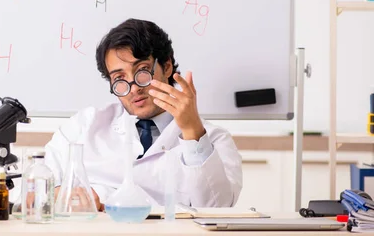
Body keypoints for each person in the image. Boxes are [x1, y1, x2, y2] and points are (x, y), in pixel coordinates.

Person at [45, 18, 242, 210]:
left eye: (142, 71)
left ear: (166, 66)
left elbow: (217, 211)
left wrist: (192, 132)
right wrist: (62, 196)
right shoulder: (84, 126)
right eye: (119, 78)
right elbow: (36, 191)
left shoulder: (215, 139)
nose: (133, 89)